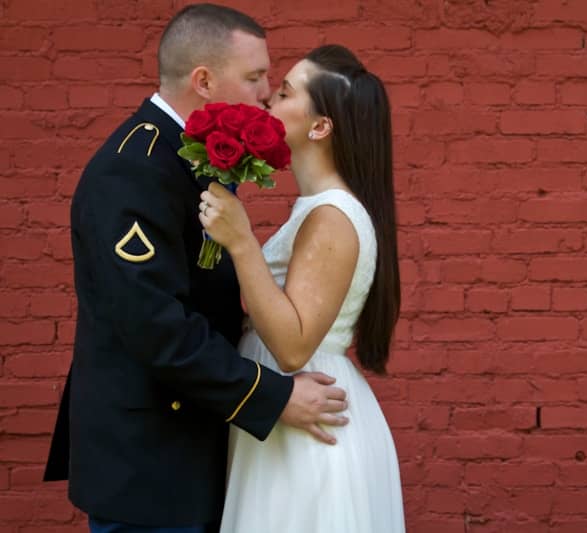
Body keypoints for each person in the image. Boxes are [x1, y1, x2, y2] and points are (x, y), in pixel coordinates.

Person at [43, 5, 349, 532]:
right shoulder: (132, 169)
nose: (264, 93)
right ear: (204, 80)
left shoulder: (182, 156)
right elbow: (155, 325)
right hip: (148, 463)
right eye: (254, 77)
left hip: (188, 446)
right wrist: (272, 397)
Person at [198, 45, 405, 532]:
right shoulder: (318, 207)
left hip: (305, 414)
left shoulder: (332, 216)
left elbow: (292, 347)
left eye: (287, 92)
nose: (270, 96)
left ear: (320, 127)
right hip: (290, 411)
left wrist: (241, 242)